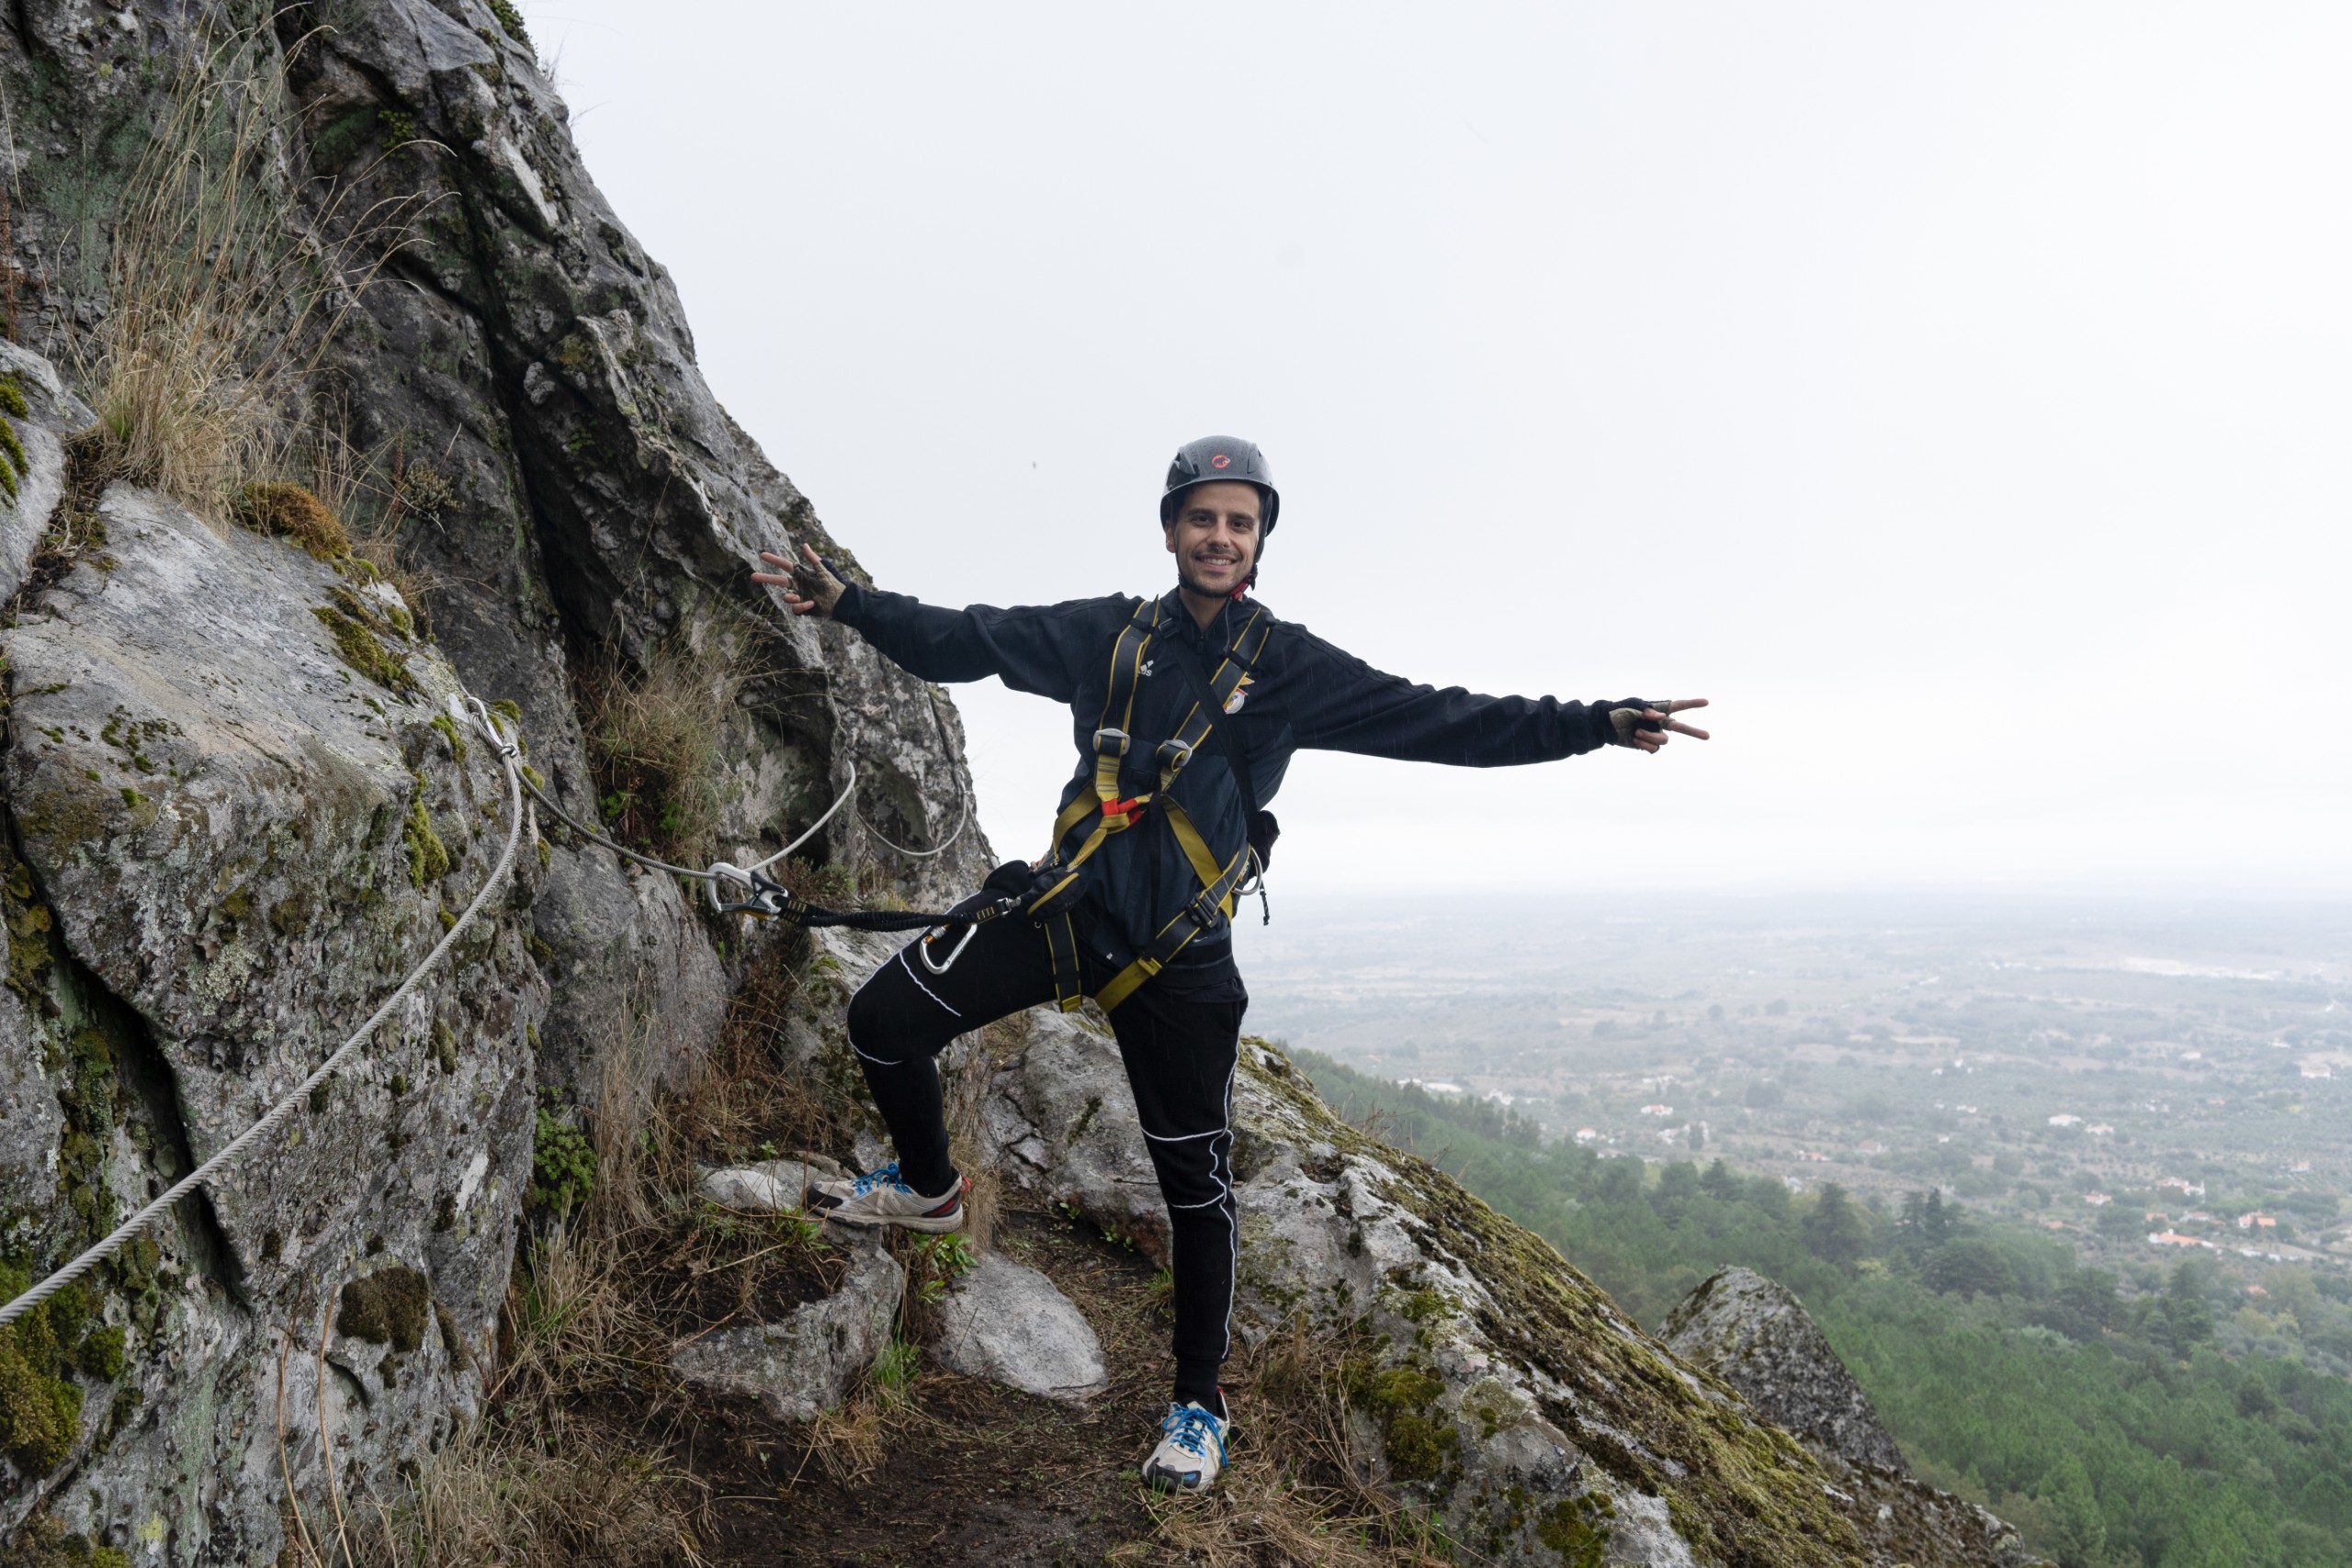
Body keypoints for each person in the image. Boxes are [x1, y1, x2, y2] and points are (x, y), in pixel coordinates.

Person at [749, 436, 1709, 1494]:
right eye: (1201, 518)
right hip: (1068, 911)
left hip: (1179, 958)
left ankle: (1196, 1407)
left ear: (1258, 541)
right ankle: (929, 1191)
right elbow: (965, 640)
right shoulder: (1106, 633)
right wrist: (846, 601)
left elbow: (1446, 718)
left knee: (1192, 1185)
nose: (1218, 537)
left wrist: (1593, 725)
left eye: (1238, 522)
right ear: (1171, 531)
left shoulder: (1289, 667)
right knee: (885, 1020)